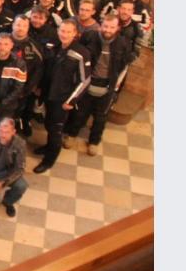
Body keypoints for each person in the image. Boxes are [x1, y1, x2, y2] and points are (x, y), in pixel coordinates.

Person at [63, 14, 132, 156]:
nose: (108, 30)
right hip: (88, 81)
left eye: (112, 27)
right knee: (79, 113)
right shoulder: (89, 37)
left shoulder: (123, 44)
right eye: (106, 26)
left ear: (117, 28)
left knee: (101, 117)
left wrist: (116, 89)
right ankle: (72, 135)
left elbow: (124, 67)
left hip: (107, 85)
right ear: (101, 25)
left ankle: (94, 142)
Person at [33, 19, 91, 173]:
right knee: (48, 124)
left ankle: (49, 160)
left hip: (63, 99)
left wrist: (71, 101)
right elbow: (45, 70)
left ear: (75, 34)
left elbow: (85, 80)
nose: (64, 34)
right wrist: (39, 88)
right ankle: (48, 147)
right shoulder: (53, 46)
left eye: (68, 32)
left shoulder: (81, 53)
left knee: (55, 131)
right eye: (62, 31)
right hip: (48, 94)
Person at [10, 15, 45, 137]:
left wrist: (28, 89)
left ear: (28, 28)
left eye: (24, 26)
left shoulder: (34, 46)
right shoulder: (2, 40)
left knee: (21, 110)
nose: (20, 28)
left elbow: (38, 69)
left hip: (23, 89)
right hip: (3, 87)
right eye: (18, 24)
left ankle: (21, 124)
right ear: (13, 25)